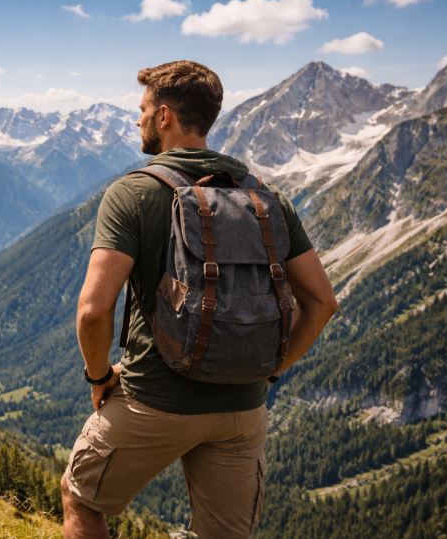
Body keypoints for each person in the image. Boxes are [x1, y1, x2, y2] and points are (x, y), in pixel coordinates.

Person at [60, 60, 339, 538]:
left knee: (81, 498)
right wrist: (271, 370)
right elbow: (322, 303)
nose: (137, 118)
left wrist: (100, 375)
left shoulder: (135, 192)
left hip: (154, 401)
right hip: (242, 413)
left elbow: (93, 309)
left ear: (164, 116)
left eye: (143, 108)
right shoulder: (265, 196)